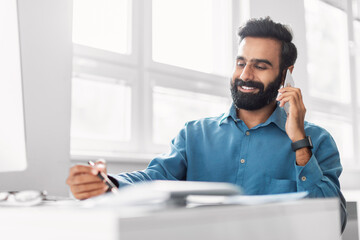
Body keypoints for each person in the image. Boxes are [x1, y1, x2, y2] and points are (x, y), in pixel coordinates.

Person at [66, 17, 347, 231]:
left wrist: (299, 141)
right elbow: (153, 178)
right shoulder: (194, 134)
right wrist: (107, 184)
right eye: (240, 63)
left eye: (260, 66)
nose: (245, 75)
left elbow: (332, 223)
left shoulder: (316, 141)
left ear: (286, 75)